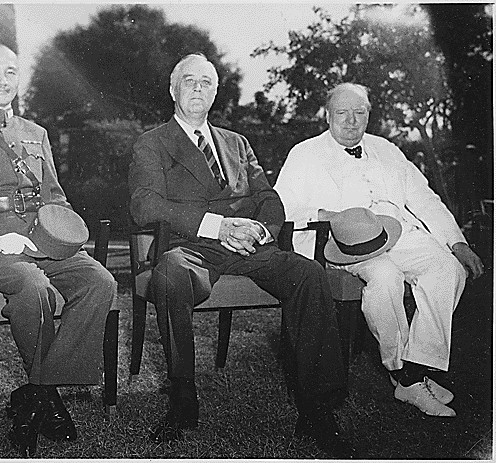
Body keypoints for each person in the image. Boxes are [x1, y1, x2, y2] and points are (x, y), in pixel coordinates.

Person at [128, 53, 357, 458]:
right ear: (172, 89)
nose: (198, 89)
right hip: (192, 247)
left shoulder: (236, 142)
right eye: (189, 81)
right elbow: (144, 205)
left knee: (309, 275)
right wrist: (219, 226)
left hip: (248, 247)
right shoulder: (152, 143)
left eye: (206, 83)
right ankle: (183, 401)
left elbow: (267, 196)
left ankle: (318, 409)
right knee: (170, 275)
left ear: (216, 93)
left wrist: (261, 229)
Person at [0, 43, 117, 457]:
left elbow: (55, 196)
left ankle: (36, 392)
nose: (2, 81)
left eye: (10, 72)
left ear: (19, 78)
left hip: (40, 239)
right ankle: (47, 400)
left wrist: (59, 235)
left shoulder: (36, 133)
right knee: (33, 285)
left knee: (100, 280)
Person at [274, 82, 484, 418]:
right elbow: (281, 208)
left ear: (369, 115)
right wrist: (326, 216)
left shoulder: (387, 149)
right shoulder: (304, 154)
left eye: (359, 113)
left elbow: (424, 198)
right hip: (341, 245)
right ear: (328, 116)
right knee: (385, 278)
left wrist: (457, 242)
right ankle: (405, 374)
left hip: (397, 234)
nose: (351, 121)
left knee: (448, 268)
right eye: (342, 113)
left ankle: (414, 372)